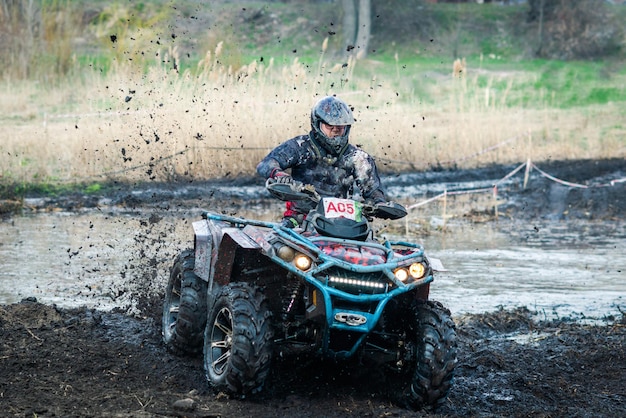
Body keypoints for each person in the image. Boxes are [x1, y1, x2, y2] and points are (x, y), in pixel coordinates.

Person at [256, 95, 390, 228]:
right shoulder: (300, 146)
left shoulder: (357, 157)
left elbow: (373, 190)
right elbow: (266, 164)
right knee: (283, 248)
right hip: (300, 218)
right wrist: (279, 174)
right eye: (330, 126)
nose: (335, 131)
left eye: (340, 127)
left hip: (342, 222)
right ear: (317, 124)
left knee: (371, 243)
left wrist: (378, 204)